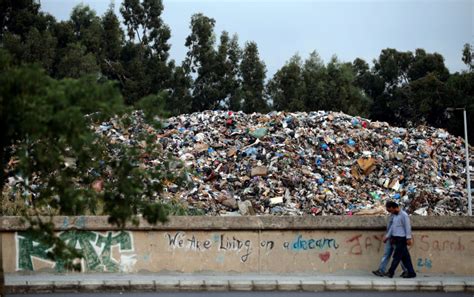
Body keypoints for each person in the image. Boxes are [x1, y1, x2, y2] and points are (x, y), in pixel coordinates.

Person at [383, 201, 417, 278]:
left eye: (390, 210)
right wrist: (387, 236)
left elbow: (407, 227)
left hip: (402, 239)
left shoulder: (404, 215)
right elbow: (392, 227)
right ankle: (411, 273)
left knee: (397, 257)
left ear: (393, 207)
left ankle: (391, 272)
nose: (390, 212)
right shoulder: (395, 216)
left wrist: (408, 238)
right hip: (396, 238)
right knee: (406, 258)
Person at [372, 210, 407, 277]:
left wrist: (387, 236)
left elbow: (393, 227)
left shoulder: (398, 216)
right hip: (391, 238)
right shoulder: (393, 215)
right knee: (387, 254)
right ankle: (381, 270)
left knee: (398, 255)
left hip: (395, 238)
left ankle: (406, 270)